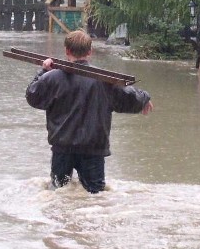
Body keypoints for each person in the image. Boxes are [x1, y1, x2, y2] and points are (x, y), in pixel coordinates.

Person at [26, 30, 154, 193]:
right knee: (95, 195)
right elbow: (128, 97)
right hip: (93, 150)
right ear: (90, 52)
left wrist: (43, 71)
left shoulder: (52, 78)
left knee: (58, 192)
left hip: (62, 149)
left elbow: (32, 96)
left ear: (67, 51)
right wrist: (145, 98)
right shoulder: (104, 80)